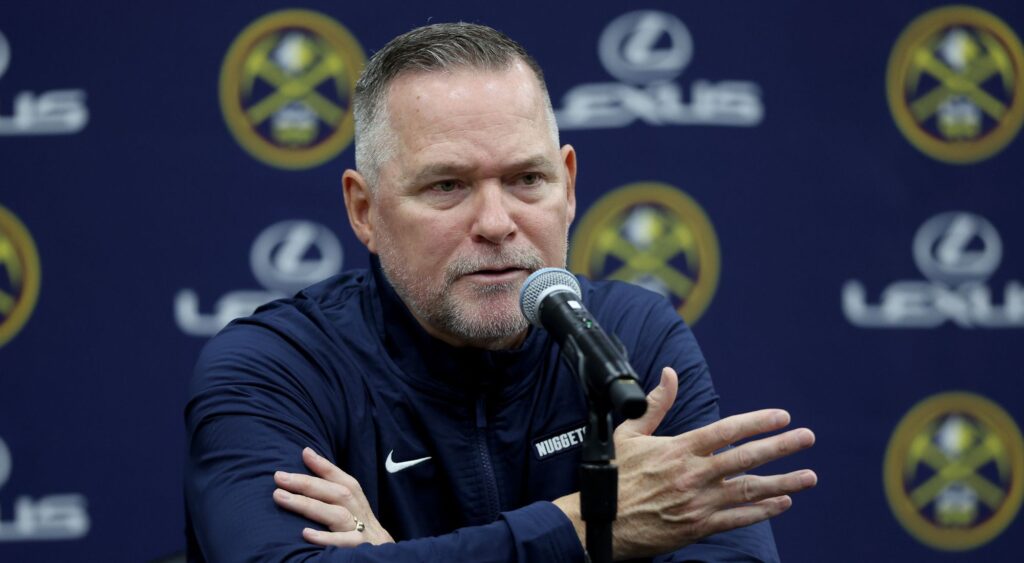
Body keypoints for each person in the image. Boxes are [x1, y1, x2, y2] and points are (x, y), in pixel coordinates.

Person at [184, 22, 817, 562]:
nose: (495, 223)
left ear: (567, 187)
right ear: (364, 209)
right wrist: (595, 528)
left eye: (526, 179)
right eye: (447, 186)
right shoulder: (274, 370)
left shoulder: (632, 340)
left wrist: (390, 556)